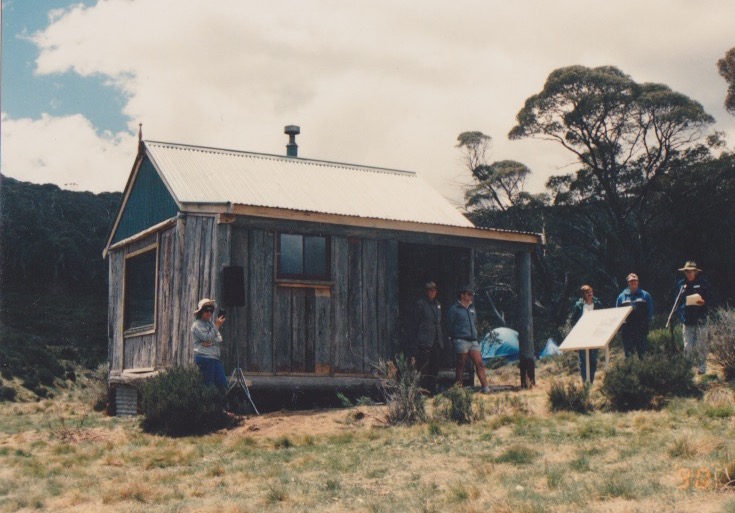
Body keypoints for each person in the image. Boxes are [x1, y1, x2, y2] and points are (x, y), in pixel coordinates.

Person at [447, 285, 490, 393]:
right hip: (461, 340)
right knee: (461, 364)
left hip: (473, 341)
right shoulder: (454, 309)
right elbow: (449, 324)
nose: (471, 296)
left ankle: (485, 387)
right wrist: (453, 338)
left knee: (479, 363)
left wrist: (476, 334)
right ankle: (459, 389)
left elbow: (475, 323)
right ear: (462, 295)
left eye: (472, 294)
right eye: (469, 294)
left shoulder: (472, 308)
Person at [675, 261, 712, 374]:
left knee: (701, 344)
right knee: (688, 347)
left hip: (701, 319)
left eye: (691, 271)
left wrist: (704, 302)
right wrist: (682, 316)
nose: (689, 273)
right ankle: (688, 369)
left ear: (695, 272)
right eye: (687, 271)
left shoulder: (703, 283)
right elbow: (677, 303)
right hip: (687, 320)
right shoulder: (681, 285)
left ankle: (702, 368)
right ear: (684, 272)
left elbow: (710, 299)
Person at [413, 281, 444, 394]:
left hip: (436, 340)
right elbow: (416, 322)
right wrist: (420, 338)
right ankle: (423, 389)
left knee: (434, 366)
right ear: (426, 292)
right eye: (431, 290)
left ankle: (433, 389)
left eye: (435, 290)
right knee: (424, 366)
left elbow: (438, 322)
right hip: (425, 340)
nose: (433, 292)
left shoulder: (438, 304)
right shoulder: (421, 304)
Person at [191, 298, 227, 391]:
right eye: (206, 310)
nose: (209, 313)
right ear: (201, 311)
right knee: (208, 387)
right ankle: (209, 405)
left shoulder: (211, 324)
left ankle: (220, 405)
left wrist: (210, 341)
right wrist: (217, 326)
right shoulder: (197, 325)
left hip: (214, 357)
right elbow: (207, 337)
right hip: (204, 357)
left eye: (211, 310)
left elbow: (219, 338)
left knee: (223, 384)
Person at [570, 284, 603, 383]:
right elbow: (573, 321)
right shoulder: (578, 306)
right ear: (583, 294)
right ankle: (585, 382)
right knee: (583, 361)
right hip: (583, 337)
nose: (589, 294)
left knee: (593, 360)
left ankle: (591, 381)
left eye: (591, 292)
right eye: (587, 292)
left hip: (594, 335)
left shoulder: (598, 304)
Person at [616, 273, 653, 358]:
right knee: (628, 355)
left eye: (635, 280)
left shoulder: (646, 295)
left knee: (642, 354)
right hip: (627, 330)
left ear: (638, 282)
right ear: (628, 282)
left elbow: (650, 311)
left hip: (641, 328)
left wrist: (644, 322)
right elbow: (617, 312)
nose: (634, 282)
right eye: (631, 281)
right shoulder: (621, 297)